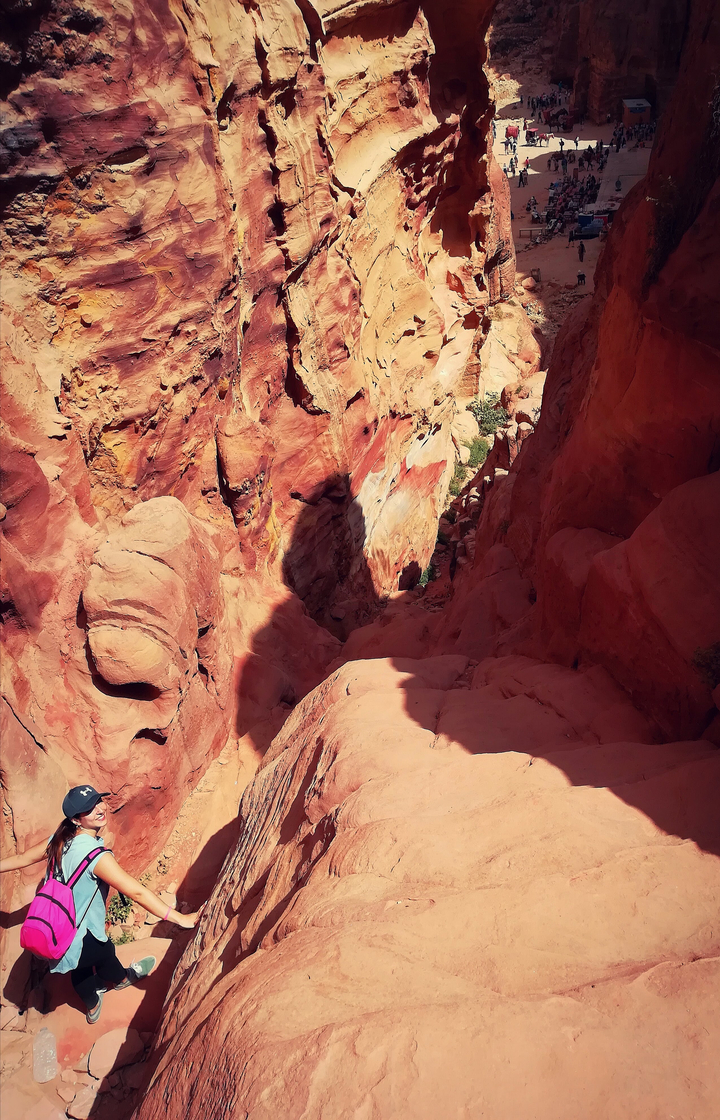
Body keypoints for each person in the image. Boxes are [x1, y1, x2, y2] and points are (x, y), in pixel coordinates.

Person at [0, 785, 203, 1025]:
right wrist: (181, 918)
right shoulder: (94, 856)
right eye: (89, 808)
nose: (100, 809)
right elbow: (137, 892)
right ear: (76, 819)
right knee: (105, 955)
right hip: (84, 934)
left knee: (80, 970)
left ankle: (92, 1005)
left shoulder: (60, 839)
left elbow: (23, 858)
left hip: (58, 932)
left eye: (98, 801)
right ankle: (122, 979)